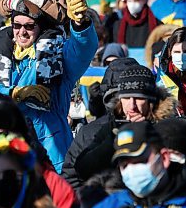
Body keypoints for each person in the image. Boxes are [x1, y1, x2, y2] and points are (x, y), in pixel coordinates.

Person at [0, 0, 98, 174]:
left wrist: (80, 25)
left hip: (53, 153)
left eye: (29, 26)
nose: (22, 32)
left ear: (40, 28)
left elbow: (82, 51)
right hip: (9, 151)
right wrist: (14, 93)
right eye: (17, 25)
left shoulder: (56, 57)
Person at [62, 62, 176, 193]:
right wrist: (115, 136)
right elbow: (81, 170)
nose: (132, 106)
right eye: (126, 98)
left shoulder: (170, 128)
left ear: (151, 101)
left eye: (138, 98)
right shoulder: (107, 128)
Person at [157, 27, 186, 115]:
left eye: (185, 51)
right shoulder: (162, 74)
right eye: (177, 52)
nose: (181, 56)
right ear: (170, 52)